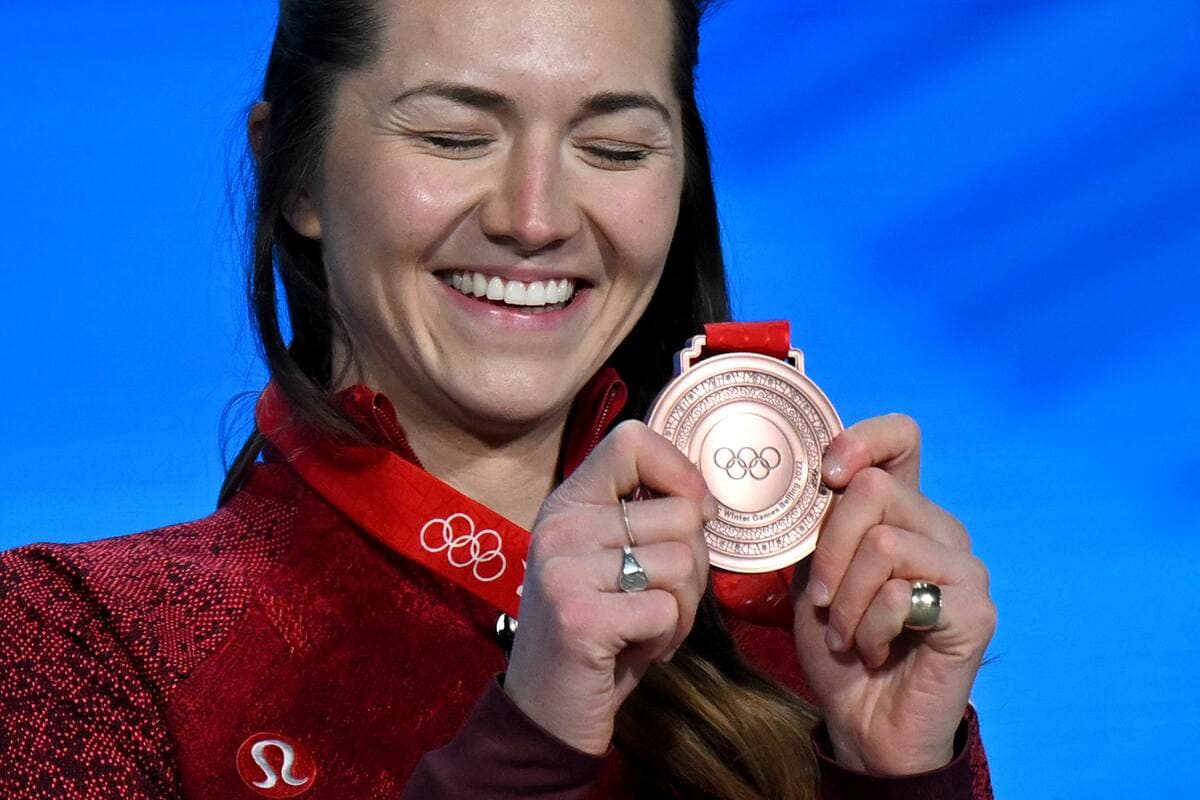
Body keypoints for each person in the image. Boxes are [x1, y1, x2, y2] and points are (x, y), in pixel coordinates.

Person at [0, 1, 998, 797]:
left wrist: (900, 778)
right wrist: (529, 750)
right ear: (292, 169)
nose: (536, 217)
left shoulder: (807, 658)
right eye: (453, 134)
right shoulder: (79, 647)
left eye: (612, 148)